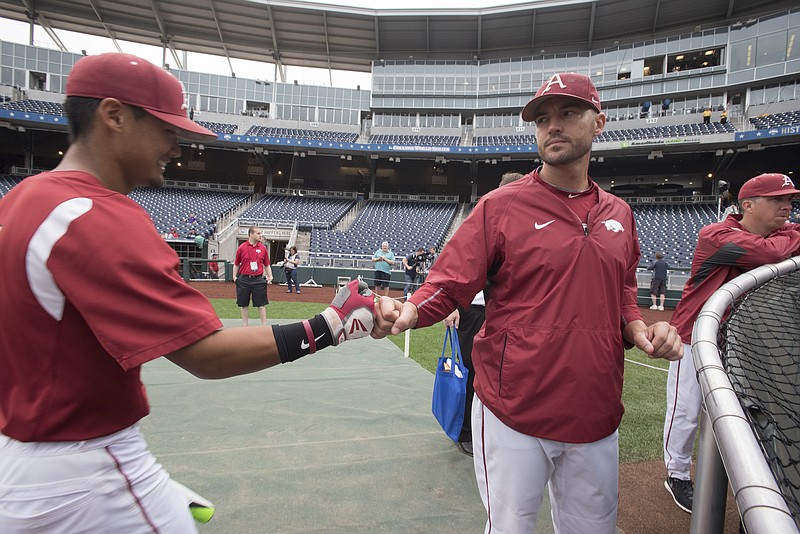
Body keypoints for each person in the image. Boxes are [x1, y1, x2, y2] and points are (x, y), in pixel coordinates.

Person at [0, 52, 379, 534]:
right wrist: (330, 324)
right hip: (86, 467)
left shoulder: (25, 196)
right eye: (165, 128)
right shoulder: (98, 215)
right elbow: (206, 356)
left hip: (21, 459)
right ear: (113, 115)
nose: (175, 145)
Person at [373, 72, 683, 534]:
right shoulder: (501, 206)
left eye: (567, 113)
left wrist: (638, 329)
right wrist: (413, 309)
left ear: (599, 123)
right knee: (510, 528)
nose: (552, 126)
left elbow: (621, 292)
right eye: (542, 119)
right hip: (513, 408)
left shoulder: (620, 213)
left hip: (595, 407)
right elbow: (450, 281)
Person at [663, 172, 800, 514]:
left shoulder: (781, 232)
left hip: (741, 341)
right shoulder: (715, 233)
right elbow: (769, 253)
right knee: (685, 412)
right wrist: (788, 239)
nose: (787, 206)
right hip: (693, 337)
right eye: (777, 200)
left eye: (789, 201)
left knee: (743, 414)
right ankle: (676, 474)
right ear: (747, 205)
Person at [442, 171, 524, 458]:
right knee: (468, 370)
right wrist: (452, 306)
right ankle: (464, 431)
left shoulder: (525, 225)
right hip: (473, 310)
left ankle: (489, 430)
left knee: (499, 373)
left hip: (503, 313)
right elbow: (456, 267)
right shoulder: (484, 218)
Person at [233, 226, 273, 326]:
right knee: (243, 304)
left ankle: (264, 326)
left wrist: (270, 276)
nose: (260, 235)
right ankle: (245, 326)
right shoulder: (242, 247)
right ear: (251, 234)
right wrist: (234, 276)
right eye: (258, 233)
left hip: (258, 279)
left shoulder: (263, 248)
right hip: (244, 279)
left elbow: (267, 264)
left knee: (261, 305)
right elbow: (236, 263)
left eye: (261, 233)